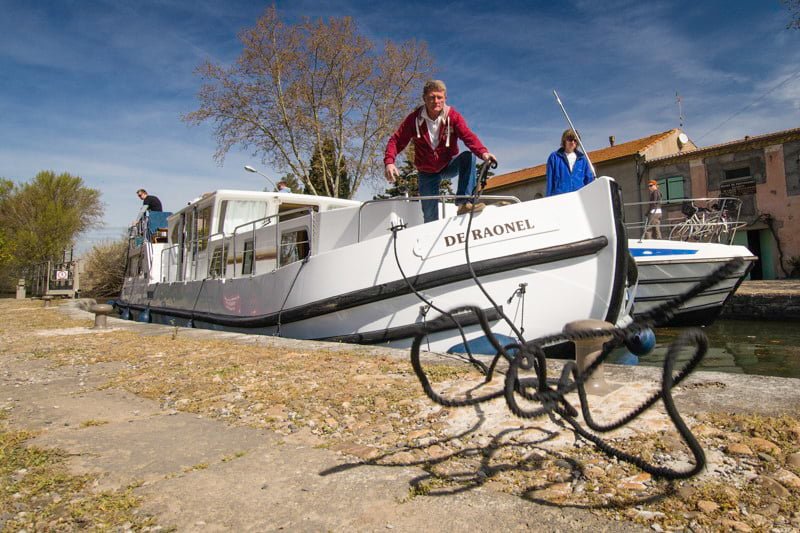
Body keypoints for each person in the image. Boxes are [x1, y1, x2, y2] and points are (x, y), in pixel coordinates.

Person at [384, 80, 497, 222]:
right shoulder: (414, 120)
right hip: (426, 172)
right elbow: (396, 140)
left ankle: (464, 203)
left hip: (448, 165)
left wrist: (483, 153)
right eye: (432, 97)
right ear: (424, 98)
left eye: (439, 97)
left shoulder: (453, 116)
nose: (436, 101)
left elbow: (468, 136)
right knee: (430, 216)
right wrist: (389, 162)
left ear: (445, 99)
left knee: (469, 157)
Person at [545, 129, 594, 197]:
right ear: (564, 140)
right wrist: (548, 198)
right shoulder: (554, 157)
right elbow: (550, 180)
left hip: (579, 197)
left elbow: (589, 180)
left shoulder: (583, 159)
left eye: (575, 140)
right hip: (560, 197)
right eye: (570, 139)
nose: (573, 142)